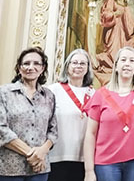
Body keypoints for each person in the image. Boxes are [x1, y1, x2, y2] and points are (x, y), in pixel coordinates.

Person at [83, 46, 134, 181]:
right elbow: (90, 133)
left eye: (132, 61)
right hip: (106, 162)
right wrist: (89, 170)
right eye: (123, 60)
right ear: (116, 66)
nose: (127, 64)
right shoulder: (100, 94)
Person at [0, 47, 58, 181]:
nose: (30, 67)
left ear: (43, 68)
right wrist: (32, 154)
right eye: (26, 63)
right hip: (9, 169)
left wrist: (42, 152)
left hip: (39, 169)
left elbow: (53, 131)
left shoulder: (49, 96)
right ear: (19, 68)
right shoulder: (5, 92)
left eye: (36, 63)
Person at [48, 49, 95, 181]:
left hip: (84, 157)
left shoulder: (94, 94)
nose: (78, 66)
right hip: (57, 155)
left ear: (87, 68)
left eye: (82, 63)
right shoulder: (53, 90)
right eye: (74, 63)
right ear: (67, 66)